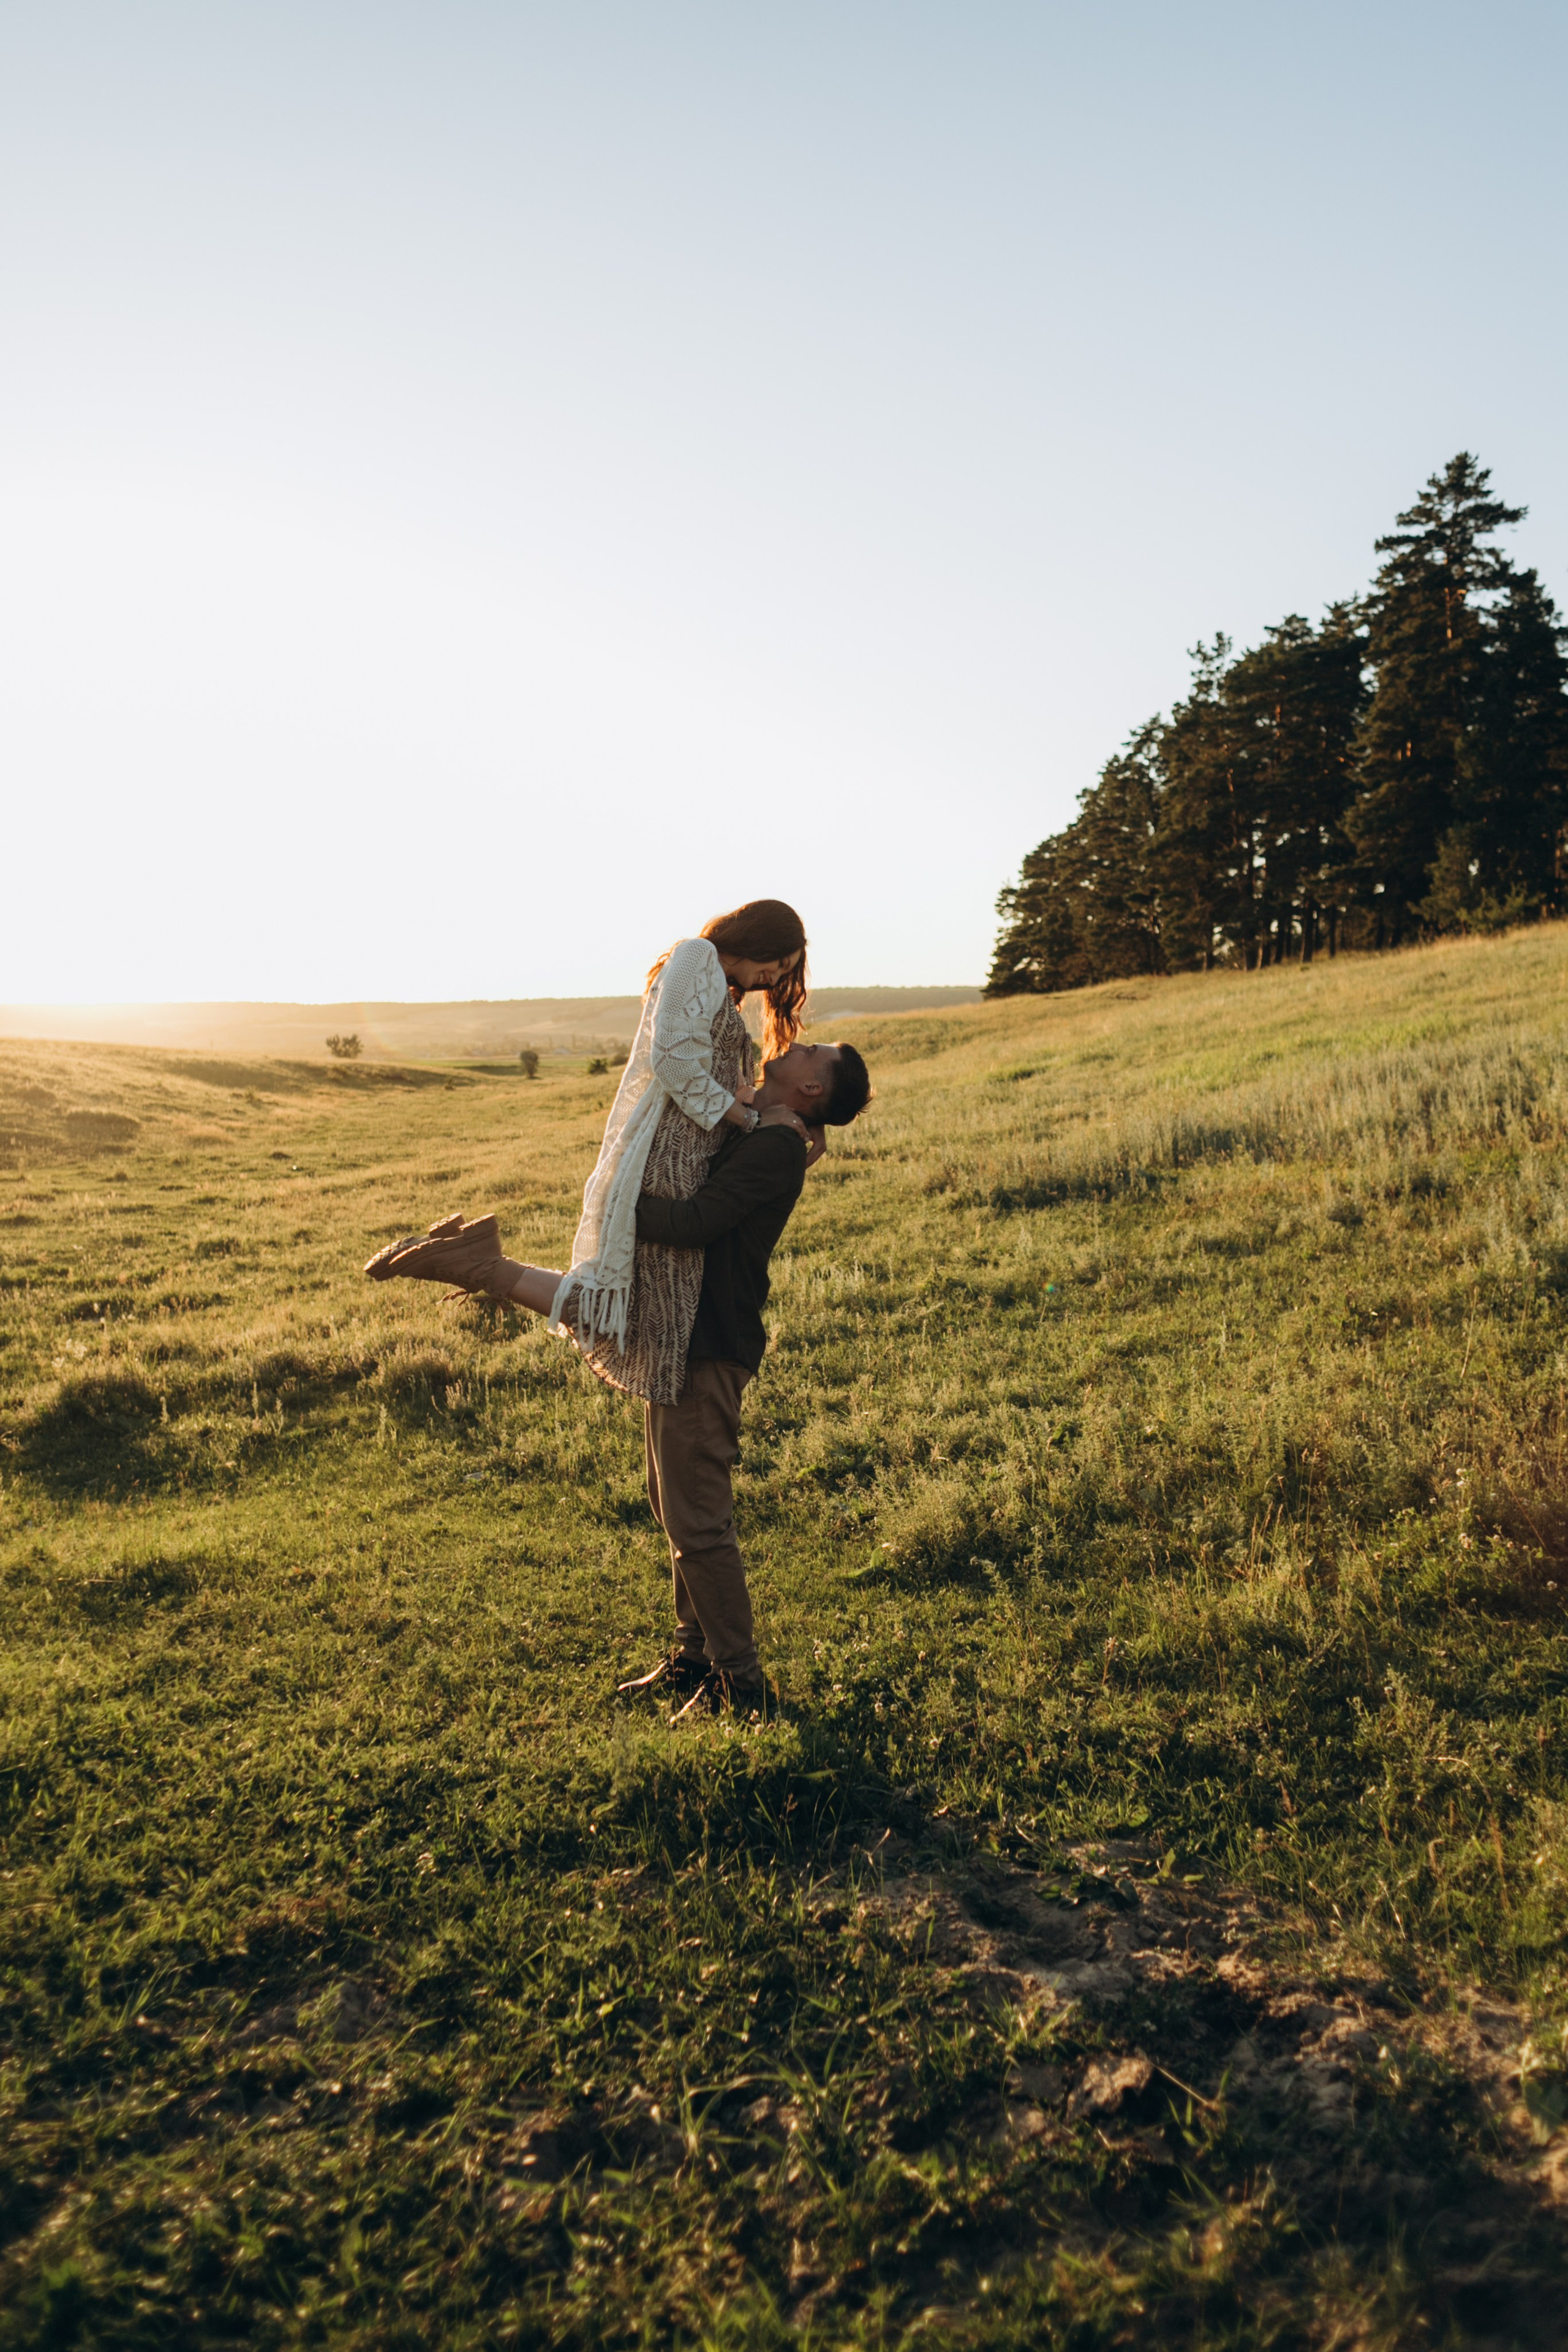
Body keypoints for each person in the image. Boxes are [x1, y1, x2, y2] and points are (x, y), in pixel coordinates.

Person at [366, 1035, 873, 1717]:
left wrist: (622, 1191)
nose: (797, 1042)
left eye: (814, 1052)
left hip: (709, 1343)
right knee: (677, 1511)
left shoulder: (779, 1147)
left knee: (698, 1522)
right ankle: (695, 1660)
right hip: (684, 1329)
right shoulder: (770, 1129)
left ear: (813, 1089)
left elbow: (695, 1222)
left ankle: (743, 1687)